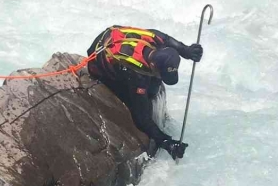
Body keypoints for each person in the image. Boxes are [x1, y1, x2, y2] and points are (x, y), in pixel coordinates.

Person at [87, 26, 203, 160]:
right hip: (97, 62)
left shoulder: (156, 39)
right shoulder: (137, 75)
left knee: (153, 88)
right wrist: (166, 141)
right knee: (138, 102)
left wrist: (187, 51)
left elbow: (167, 39)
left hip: (111, 35)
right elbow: (142, 119)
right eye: (162, 75)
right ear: (153, 66)